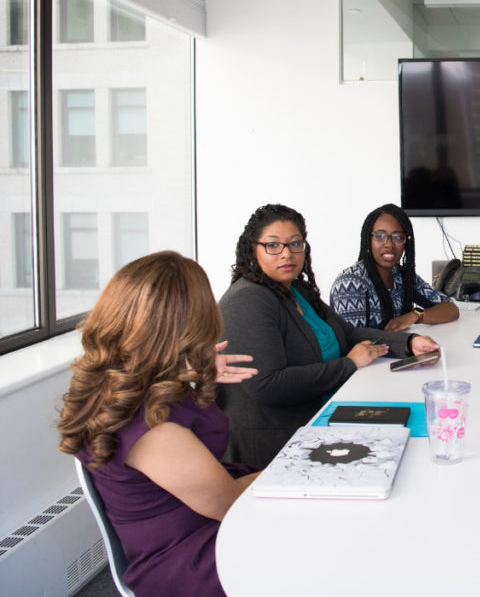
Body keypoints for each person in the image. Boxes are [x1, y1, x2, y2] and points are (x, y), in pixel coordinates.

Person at [57, 251, 260, 597]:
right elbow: (231, 506)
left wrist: (188, 371)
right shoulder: (155, 432)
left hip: (191, 522)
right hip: (190, 559)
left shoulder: (117, 384)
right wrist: (292, 468)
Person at [217, 203, 440, 468]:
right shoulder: (248, 300)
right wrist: (349, 364)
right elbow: (268, 386)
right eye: (273, 245)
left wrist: (407, 343)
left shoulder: (296, 289)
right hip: (275, 444)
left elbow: (348, 334)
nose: (287, 254)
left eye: (295, 243)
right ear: (252, 248)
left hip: (323, 417)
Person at [330, 203, 458, 331]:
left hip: (401, 348)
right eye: (380, 236)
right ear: (367, 240)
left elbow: (450, 309)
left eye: (398, 237)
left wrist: (415, 315)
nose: (389, 244)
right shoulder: (350, 283)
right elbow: (355, 341)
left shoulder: (401, 276)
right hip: (382, 350)